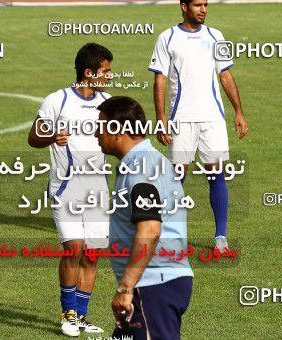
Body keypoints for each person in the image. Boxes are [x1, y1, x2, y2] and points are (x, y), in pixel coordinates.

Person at [148, 0, 249, 253]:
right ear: (183, 6)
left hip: (213, 118)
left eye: (206, 4)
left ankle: (220, 238)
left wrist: (238, 111)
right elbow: (159, 79)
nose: (203, 9)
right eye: (197, 5)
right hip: (181, 119)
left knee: (216, 175)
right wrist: (161, 118)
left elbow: (225, 74)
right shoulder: (167, 37)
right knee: (177, 177)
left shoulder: (216, 35)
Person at [27, 42, 113, 337]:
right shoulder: (57, 100)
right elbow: (33, 137)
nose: (108, 77)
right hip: (65, 189)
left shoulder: (108, 102)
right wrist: (52, 136)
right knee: (73, 249)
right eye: (105, 71)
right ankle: (68, 315)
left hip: (98, 189)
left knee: (91, 254)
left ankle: (82, 317)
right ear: (88, 72)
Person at [95, 96, 194, 339]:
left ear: (118, 130)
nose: (96, 134)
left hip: (153, 286)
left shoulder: (140, 168)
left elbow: (150, 229)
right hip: (155, 283)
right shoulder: (146, 162)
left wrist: (126, 287)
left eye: (101, 126)